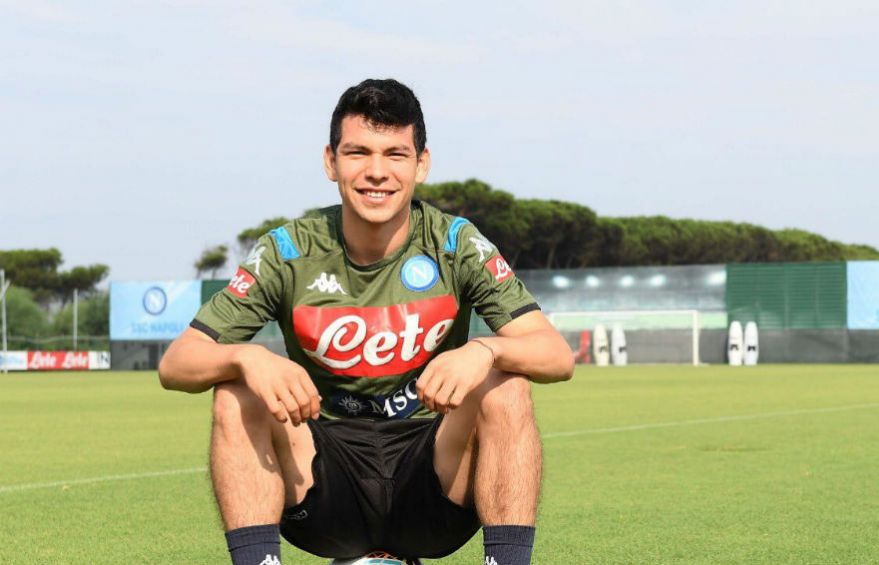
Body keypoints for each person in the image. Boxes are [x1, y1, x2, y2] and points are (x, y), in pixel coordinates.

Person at [158, 78, 574, 565]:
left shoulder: (455, 242)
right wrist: (246, 356)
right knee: (236, 391)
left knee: (507, 385)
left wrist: (484, 350)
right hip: (324, 487)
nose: (377, 172)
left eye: (395, 154)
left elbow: (556, 356)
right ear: (330, 161)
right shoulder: (289, 250)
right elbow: (176, 366)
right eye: (358, 153)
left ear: (422, 164)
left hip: (432, 481)